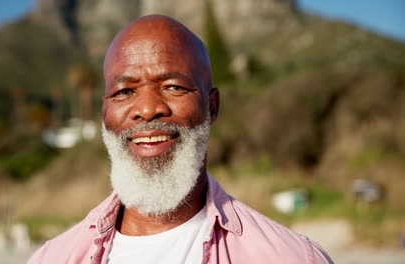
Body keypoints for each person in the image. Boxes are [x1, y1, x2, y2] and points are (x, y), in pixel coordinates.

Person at [28, 15, 333, 264]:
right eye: (124, 92)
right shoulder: (53, 258)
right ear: (103, 114)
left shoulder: (291, 258)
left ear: (211, 107)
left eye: (173, 87)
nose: (147, 109)